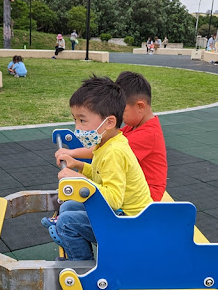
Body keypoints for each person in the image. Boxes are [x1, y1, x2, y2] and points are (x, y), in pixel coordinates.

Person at [43, 76, 152, 261]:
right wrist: (78, 166)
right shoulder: (105, 143)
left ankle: (84, 267)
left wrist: (79, 181)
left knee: (67, 222)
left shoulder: (114, 152)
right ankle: (71, 240)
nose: (77, 128)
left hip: (130, 224)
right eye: (75, 119)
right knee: (68, 205)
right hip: (120, 216)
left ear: (109, 122)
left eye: (82, 120)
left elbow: (114, 199)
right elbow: (99, 175)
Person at [52, 72, 167, 202]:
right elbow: (103, 148)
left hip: (143, 198)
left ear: (140, 106)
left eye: (121, 110)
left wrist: (71, 152)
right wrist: (79, 164)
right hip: (127, 186)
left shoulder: (147, 134)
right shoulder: (132, 126)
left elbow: (105, 153)